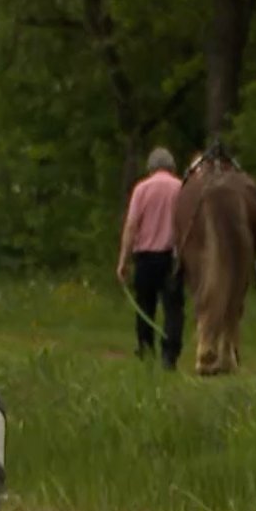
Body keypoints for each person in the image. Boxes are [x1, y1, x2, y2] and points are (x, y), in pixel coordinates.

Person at [116, 147, 185, 369]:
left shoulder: (142, 189)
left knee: (145, 306)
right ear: (172, 166)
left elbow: (132, 225)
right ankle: (170, 354)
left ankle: (146, 350)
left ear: (151, 167)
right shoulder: (181, 188)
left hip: (145, 257)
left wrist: (123, 260)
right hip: (172, 258)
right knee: (173, 308)